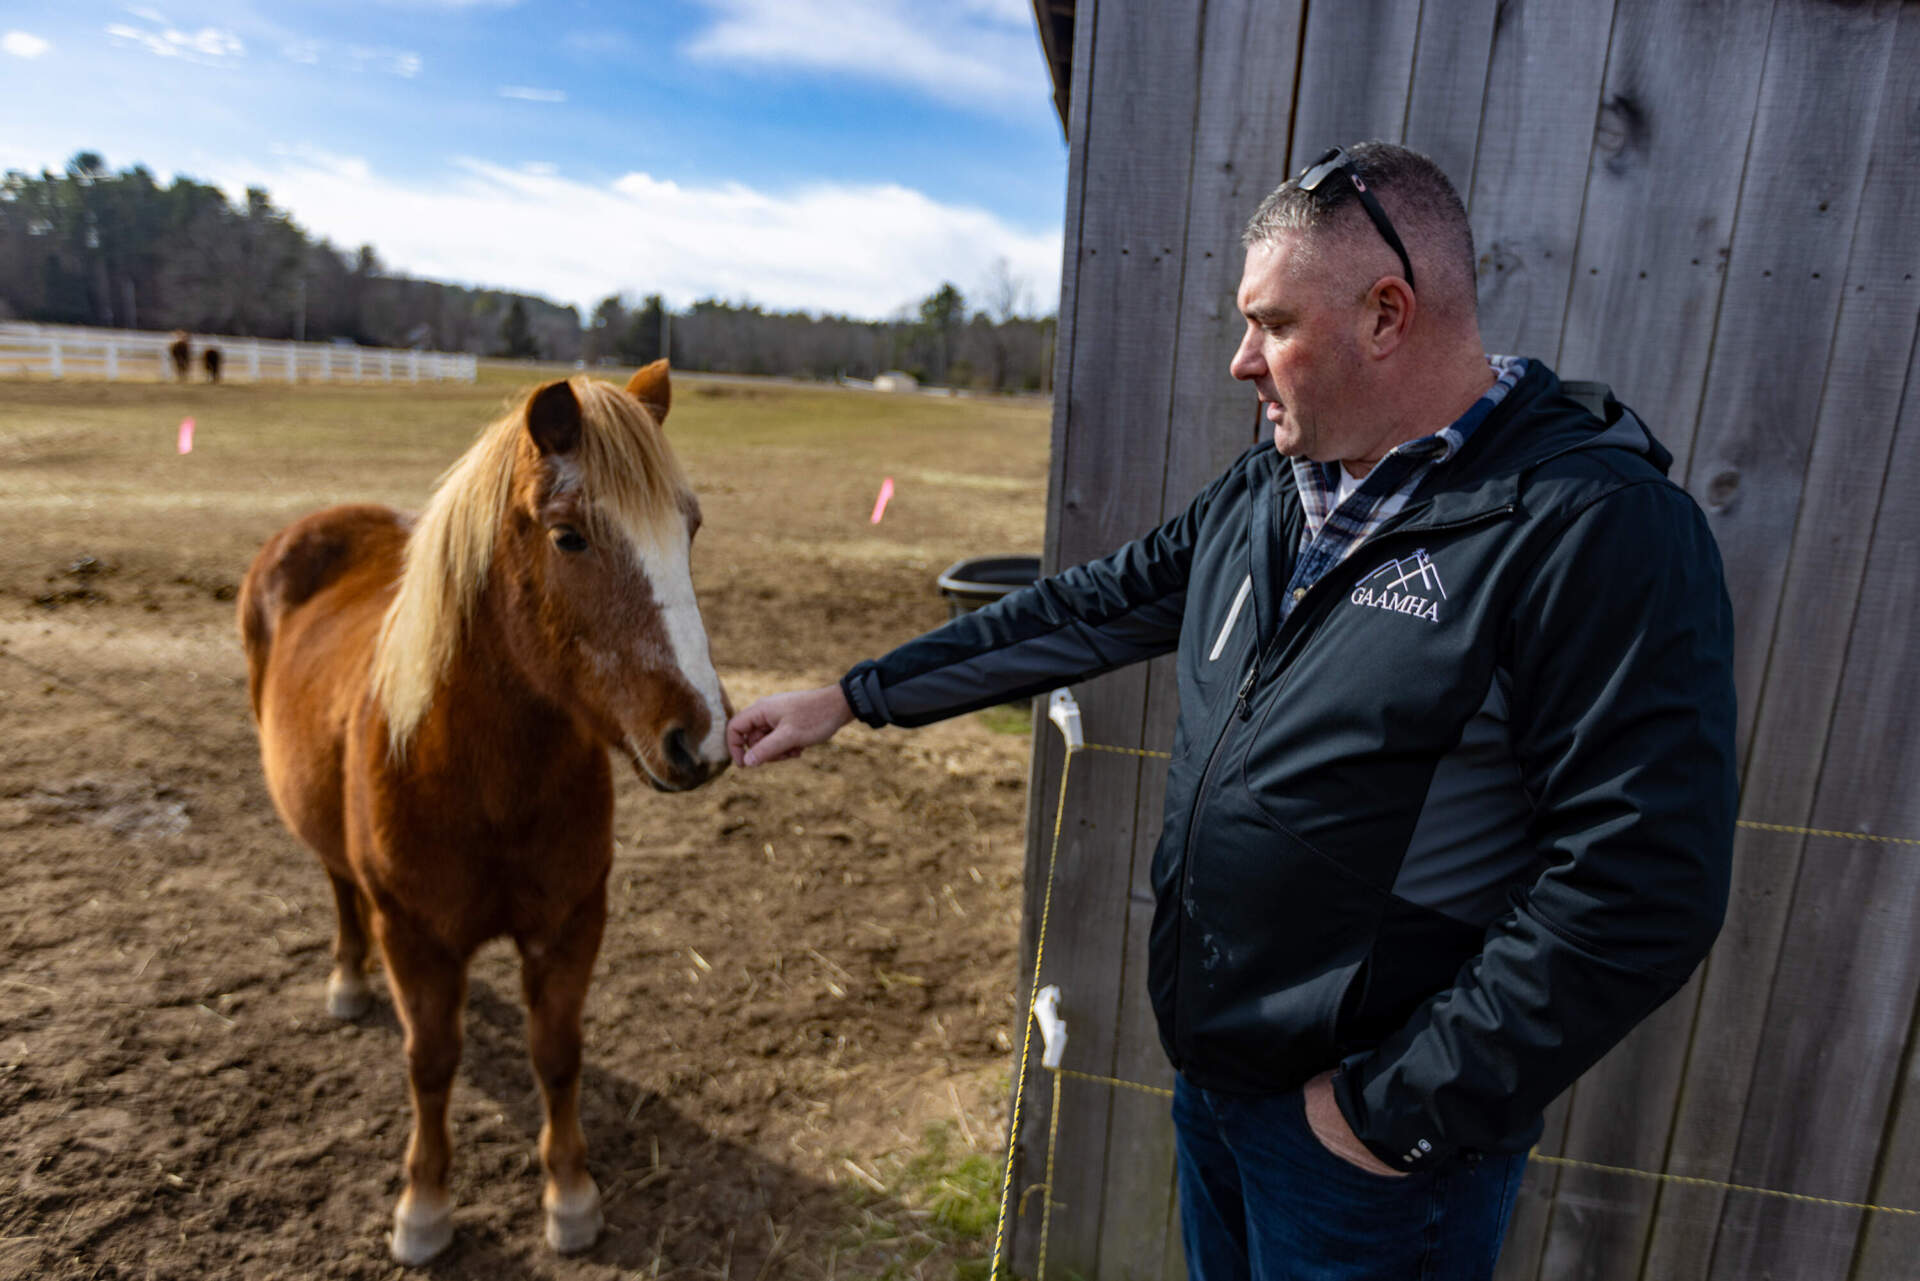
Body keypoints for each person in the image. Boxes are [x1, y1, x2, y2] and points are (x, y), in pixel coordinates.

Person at [726, 142, 1737, 1281]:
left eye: (1271, 325)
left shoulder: (1590, 526)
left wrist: (1385, 1110)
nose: (1238, 362)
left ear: (1388, 316)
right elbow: (1086, 609)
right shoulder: (1275, 488)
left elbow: (1641, 883)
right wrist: (856, 696)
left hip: (1372, 1154)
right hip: (1217, 1081)